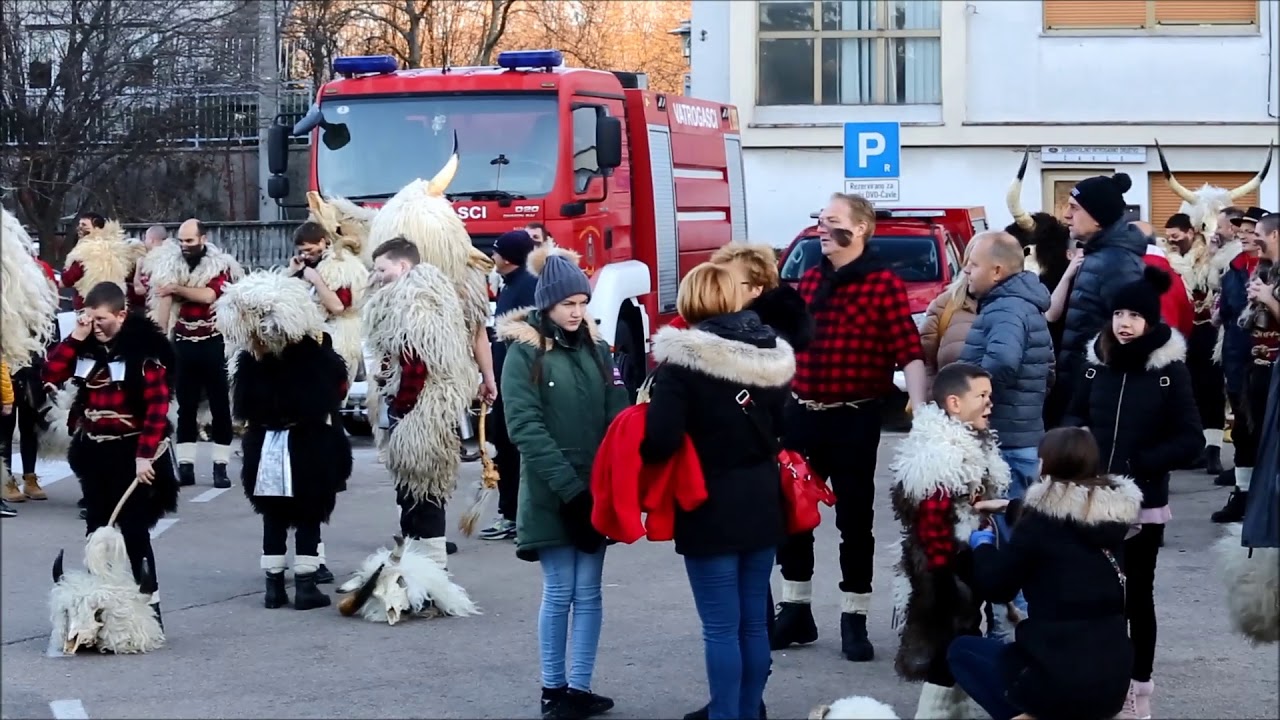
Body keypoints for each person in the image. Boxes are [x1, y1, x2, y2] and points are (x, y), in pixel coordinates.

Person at [774, 193, 927, 663]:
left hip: (854, 417)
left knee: (854, 523)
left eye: (832, 221)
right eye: (820, 220)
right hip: (800, 414)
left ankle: (853, 618)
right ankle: (795, 610)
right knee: (792, 516)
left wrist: (921, 413)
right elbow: (781, 347)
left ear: (860, 228)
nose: (822, 228)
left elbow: (909, 351)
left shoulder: (883, 285)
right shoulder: (811, 280)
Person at [639, 262, 793, 720]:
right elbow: (789, 429)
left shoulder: (681, 364)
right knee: (753, 624)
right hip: (763, 501)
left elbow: (660, 441)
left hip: (707, 504)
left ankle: (726, 714)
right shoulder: (772, 356)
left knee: (721, 629)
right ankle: (748, 712)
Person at [1064, 266, 1204, 716]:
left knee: (1136, 597)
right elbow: (1070, 416)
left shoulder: (1169, 371)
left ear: (1151, 320)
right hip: (1089, 501)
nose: (1124, 322)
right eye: (1118, 313)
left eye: (1134, 315)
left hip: (1142, 505)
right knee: (1092, 596)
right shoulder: (1094, 363)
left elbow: (1192, 440)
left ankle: (1138, 693)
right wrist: (1076, 449)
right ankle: (1097, 684)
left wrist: (1142, 463)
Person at [497, 245, 629, 720]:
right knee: (560, 590)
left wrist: (609, 481)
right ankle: (553, 689)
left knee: (590, 590)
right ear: (547, 304)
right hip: (553, 489)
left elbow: (619, 409)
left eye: (581, 304)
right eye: (567, 304)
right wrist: (571, 491)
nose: (576, 312)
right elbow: (524, 428)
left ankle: (580, 686)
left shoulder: (598, 348)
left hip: (597, 488)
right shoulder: (524, 352)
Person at [947, 427, 1140, 720]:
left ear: (1046, 466)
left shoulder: (1038, 526)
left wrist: (982, 545)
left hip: (1059, 683)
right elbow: (1069, 523)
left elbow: (997, 586)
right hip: (1112, 684)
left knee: (963, 651)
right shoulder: (1111, 522)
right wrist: (1012, 507)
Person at [41, 281, 179, 627]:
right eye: (91, 318)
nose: (97, 325)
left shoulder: (145, 352)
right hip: (94, 452)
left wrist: (145, 457)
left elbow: (156, 410)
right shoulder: (83, 345)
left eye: (102, 319)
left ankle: (151, 612)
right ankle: (100, 610)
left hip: (131, 452)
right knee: (96, 531)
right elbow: (52, 373)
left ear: (121, 314)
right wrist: (75, 336)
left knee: (134, 532)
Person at [217, 270, 353, 610]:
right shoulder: (314, 354)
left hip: (263, 442)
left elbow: (242, 405)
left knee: (273, 512)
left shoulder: (249, 361)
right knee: (309, 510)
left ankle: (273, 586)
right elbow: (336, 392)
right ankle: (305, 585)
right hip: (307, 441)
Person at [888, 362, 1012, 716]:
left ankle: (957, 710)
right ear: (955, 404)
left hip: (957, 564)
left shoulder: (968, 442)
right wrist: (944, 584)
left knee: (960, 643)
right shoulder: (941, 456)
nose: (990, 403)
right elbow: (932, 527)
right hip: (944, 572)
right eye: (982, 396)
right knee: (947, 648)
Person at [957, 230, 1053, 640]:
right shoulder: (1018, 303)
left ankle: (1009, 635)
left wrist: (964, 394)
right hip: (1022, 435)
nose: (967, 271)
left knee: (1006, 541)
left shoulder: (1006, 308)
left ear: (997, 270)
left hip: (1007, 442)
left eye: (973, 265)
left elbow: (1003, 361)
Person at [363, 237, 476, 568]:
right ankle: (419, 569)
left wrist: (401, 404)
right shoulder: (432, 297)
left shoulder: (413, 303)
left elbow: (416, 363)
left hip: (421, 414)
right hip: (432, 411)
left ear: (402, 266)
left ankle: (429, 576)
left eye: (382, 269)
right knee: (422, 493)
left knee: (421, 496)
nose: (378, 275)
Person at [147, 218, 243, 489]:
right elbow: (162, 301)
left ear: (203, 238)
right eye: (181, 240)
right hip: (183, 341)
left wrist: (178, 290)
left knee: (220, 406)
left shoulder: (219, 264)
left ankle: (220, 467)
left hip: (213, 342)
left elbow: (209, 295)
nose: (184, 246)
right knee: (185, 406)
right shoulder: (171, 264)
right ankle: (186, 467)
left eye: (189, 240)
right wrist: (158, 342)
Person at [1053, 173, 1147, 427]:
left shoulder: (1116, 263)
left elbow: (1132, 337)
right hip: (1083, 389)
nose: (1066, 215)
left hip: (1099, 397)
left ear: (1098, 217)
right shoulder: (1099, 256)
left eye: (1074, 208)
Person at [1213, 207, 1275, 522]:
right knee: (1243, 433)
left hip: (1272, 368)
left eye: (1252, 230)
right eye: (1242, 230)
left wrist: (1267, 298)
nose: (1245, 235)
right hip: (1245, 362)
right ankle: (1244, 494)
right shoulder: (1238, 268)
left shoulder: (1267, 271)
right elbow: (1232, 316)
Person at [479, 229, 538, 541]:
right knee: (503, 447)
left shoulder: (528, 288)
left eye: (497, 251)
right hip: (503, 382)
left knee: (515, 449)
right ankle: (510, 513)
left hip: (519, 385)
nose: (492, 256)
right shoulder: (511, 285)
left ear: (508, 257)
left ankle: (517, 515)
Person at [1163, 212, 1229, 476]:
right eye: (1169, 238)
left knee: (1211, 391)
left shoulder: (1210, 257)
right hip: (1179, 333)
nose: (1173, 242)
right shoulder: (1168, 261)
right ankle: (1193, 449)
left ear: (1190, 232)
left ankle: (1212, 452)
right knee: (1185, 391)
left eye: (1176, 237)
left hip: (1208, 332)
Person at [920, 242, 978, 387]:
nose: (970, 270)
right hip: (951, 404)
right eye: (971, 263)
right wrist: (931, 398)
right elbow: (926, 363)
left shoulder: (1017, 306)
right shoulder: (944, 305)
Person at [60, 213, 146, 311]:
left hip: (89, 308)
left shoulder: (85, 252)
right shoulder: (119, 248)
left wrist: (64, 274)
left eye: (84, 225)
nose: (79, 228)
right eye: (79, 225)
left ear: (97, 227)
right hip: (115, 305)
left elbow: (66, 281)